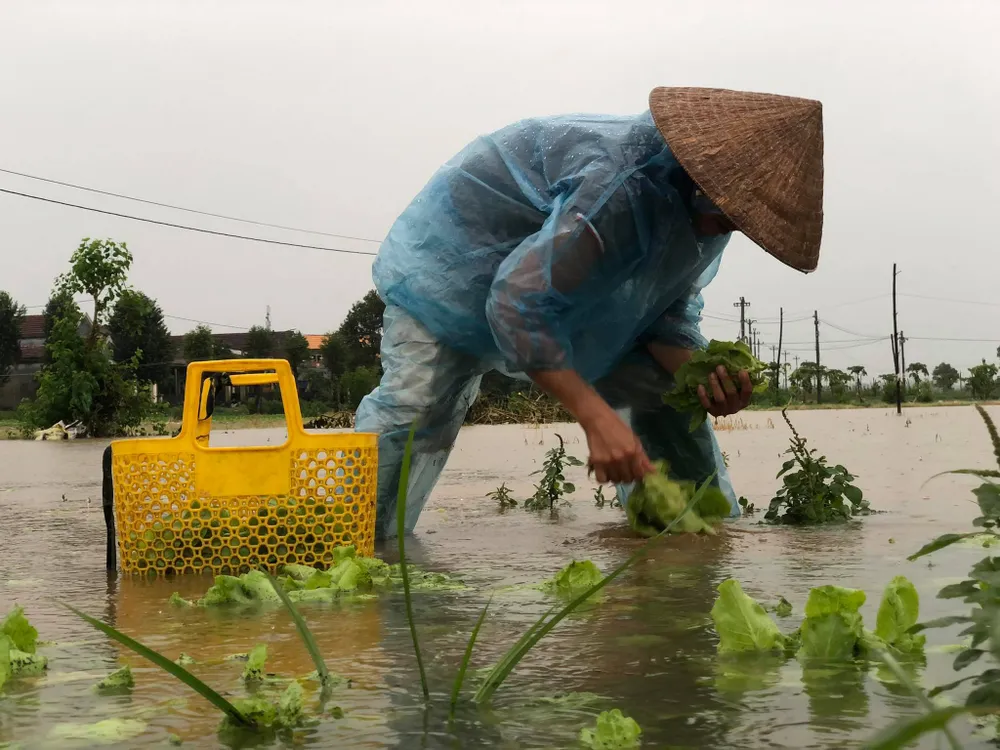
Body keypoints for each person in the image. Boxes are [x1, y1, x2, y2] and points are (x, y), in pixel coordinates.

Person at [356, 86, 824, 539]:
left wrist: (701, 378)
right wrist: (595, 418)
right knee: (416, 407)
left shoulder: (700, 218)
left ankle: (687, 547)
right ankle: (345, 541)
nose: (728, 228)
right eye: (727, 214)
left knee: (659, 392)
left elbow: (663, 314)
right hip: (452, 272)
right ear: (699, 177)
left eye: (739, 221)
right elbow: (517, 304)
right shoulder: (620, 188)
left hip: (567, 297)